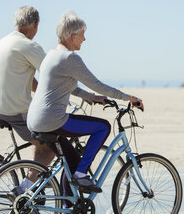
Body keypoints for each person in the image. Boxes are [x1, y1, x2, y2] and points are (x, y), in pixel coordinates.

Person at [27, 11, 144, 199]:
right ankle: (82, 175)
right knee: (102, 127)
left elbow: (66, 86)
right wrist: (128, 97)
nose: (84, 38)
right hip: (52, 120)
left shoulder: (52, 54)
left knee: (72, 160)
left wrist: (90, 97)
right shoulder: (70, 58)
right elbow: (98, 84)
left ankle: (68, 204)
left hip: (35, 119)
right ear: (73, 36)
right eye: (82, 34)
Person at [0, 6, 55, 198]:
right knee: (51, 145)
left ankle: (33, 179)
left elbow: (27, 78)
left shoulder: (3, 42)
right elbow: (54, 72)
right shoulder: (28, 46)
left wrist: (42, 91)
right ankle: (24, 190)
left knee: (39, 139)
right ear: (35, 25)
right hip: (13, 110)